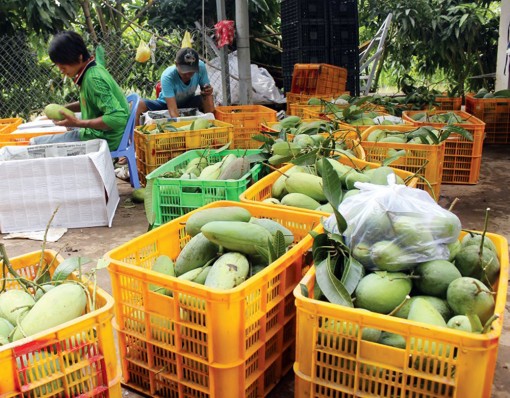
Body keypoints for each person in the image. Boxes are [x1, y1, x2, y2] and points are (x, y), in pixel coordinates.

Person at [30, 31, 130, 152]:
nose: (60, 70)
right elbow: (89, 101)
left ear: (79, 56)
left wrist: (79, 123)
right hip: (102, 134)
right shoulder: (93, 69)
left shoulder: (93, 79)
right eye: (57, 65)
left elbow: (117, 118)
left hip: (106, 140)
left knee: (36, 146)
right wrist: (64, 108)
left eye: (63, 64)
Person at [136, 47, 214, 123]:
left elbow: (207, 90)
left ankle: (212, 124)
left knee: (207, 95)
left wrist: (208, 91)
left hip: (188, 102)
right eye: (185, 71)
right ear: (176, 64)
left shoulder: (201, 67)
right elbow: (173, 112)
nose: (188, 75)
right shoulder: (168, 76)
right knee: (139, 104)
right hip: (166, 105)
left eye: (191, 72)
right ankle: (134, 134)